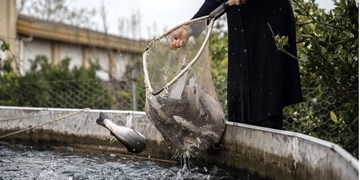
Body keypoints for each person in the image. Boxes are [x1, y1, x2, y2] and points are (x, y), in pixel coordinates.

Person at [170, 0, 303, 130]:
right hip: (241, 19)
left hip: (268, 17)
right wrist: (190, 27)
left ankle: (269, 135)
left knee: (266, 97)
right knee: (240, 94)